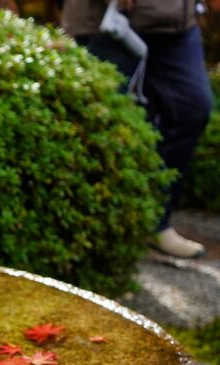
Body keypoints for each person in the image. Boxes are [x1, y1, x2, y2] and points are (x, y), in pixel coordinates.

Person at [62, 0, 214, 258]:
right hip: (110, 20)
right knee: (106, 128)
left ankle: (154, 222)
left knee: (192, 107)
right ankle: (91, 244)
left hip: (176, 21)